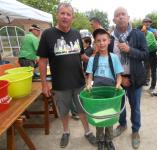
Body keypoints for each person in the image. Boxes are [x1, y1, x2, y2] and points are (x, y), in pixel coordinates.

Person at [37, 2, 96, 148]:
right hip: (60, 84)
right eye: (62, 13)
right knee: (64, 111)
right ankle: (65, 132)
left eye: (68, 14)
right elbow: (43, 60)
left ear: (72, 18)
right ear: (57, 15)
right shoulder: (47, 34)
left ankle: (88, 132)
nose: (65, 16)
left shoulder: (76, 33)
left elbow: (81, 54)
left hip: (79, 81)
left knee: (82, 110)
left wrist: (97, 61)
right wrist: (44, 83)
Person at [109, 7, 148, 149]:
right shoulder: (110, 37)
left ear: (128, 17)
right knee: (120, 106)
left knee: (135, 107)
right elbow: (108, 60)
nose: (120, 17)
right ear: (114, 19)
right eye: (117, 15)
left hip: (135, 78)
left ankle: (135, 130)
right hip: (118, 79)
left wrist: (129, 50)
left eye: (123, 14)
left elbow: (145, 55)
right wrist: (118, 78)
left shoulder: (138, 34)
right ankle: (122, 125)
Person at [86, 28, 123, 150]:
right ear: (95, 43)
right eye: (98, 41)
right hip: (97, 93)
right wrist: (88, 84)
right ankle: (100, 140)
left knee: (110, 116)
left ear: (109, 41)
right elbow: (90, 76)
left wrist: (118, 84)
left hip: (111, 92)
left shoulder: (114, 58)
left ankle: (109, 140)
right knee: (99, 117)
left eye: (104, 40)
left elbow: (119, 76)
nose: (101, 43)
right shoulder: (92, 59)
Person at [139, 25, 157, 92]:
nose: (142, 32)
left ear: (146, 30)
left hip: (153, 53)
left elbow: (147, 45)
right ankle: (145, 81)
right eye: (141, 31)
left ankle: (153, 86)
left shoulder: (150, 34)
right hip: (147, 53)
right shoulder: (142, 35)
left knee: (153, 70)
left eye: (143, 31)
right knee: (145, 68)